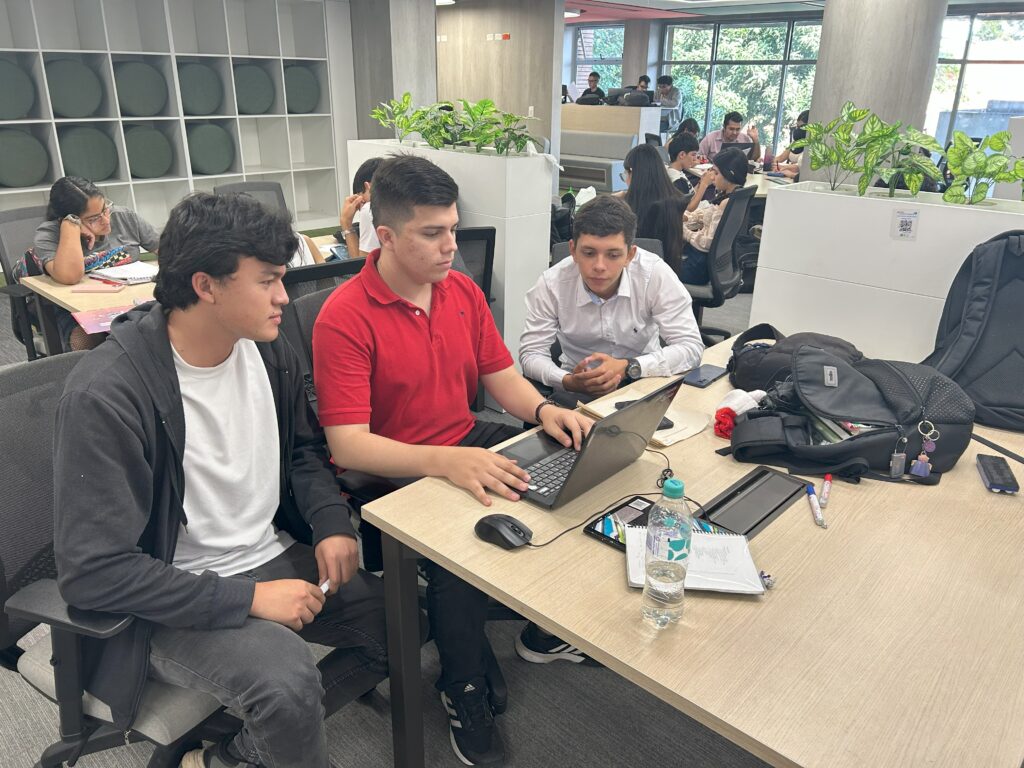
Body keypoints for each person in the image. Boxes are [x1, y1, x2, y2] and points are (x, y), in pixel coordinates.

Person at [52, 192, 389, 768]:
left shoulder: (266, 348)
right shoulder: (109, 395)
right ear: (206, 286)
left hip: (266, 550)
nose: (286, 297)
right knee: (285, 682)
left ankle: (238, 757)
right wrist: (249, 598)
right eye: (268, 281)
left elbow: (303, 452)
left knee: (401, 622)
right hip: (168, 593)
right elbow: (92, 573)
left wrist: (332, 522)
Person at [312, 154, 592, 766]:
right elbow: (348, 445)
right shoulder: (345, 317)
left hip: (461, 440)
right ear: (384, 236)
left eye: (453, 230)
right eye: (432, 233)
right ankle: (459, 684)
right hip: (390, 470)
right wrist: (446, 463)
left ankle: (543, 627)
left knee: (572, 463)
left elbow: (502, 378)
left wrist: (545, 411)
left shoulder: (460, 291)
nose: (450, 247)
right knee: (459, 546)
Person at [520, 195, 702, 402]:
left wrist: (629, 367)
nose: (599, 266)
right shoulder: (552, 284)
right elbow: (531, 354)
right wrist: (567, 380)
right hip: (578, 385)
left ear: (630, 255)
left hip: (643, 377)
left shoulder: (654, 274)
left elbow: (691, 347)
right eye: (588, 253)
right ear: (573, 250)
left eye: (613, 255)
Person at [33, 175, 160, 350]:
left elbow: (169, 252)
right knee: (84, 341)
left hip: (132, 302)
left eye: (105, 208)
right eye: (93, 219)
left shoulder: (124, 217)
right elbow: (70, 276)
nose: (106, 220)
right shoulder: (49, 235)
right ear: (68, 218)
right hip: (78, 311)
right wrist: (70, 228)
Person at [678, 147, 748, 284]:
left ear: (729, 174)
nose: (712, 177)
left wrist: (683, 231)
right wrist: (686, 218)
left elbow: (706, 243)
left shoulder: (726, 203)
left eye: (716, 173)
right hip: (711, 266)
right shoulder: (735, 196)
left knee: (659, 271)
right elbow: (708, 216)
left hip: (698, 267)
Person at [339, 157, 383, 259]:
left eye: (361, 201)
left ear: (368, 187)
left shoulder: (370, 209)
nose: (360, 208)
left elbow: (360, 266)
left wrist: (346, 223)